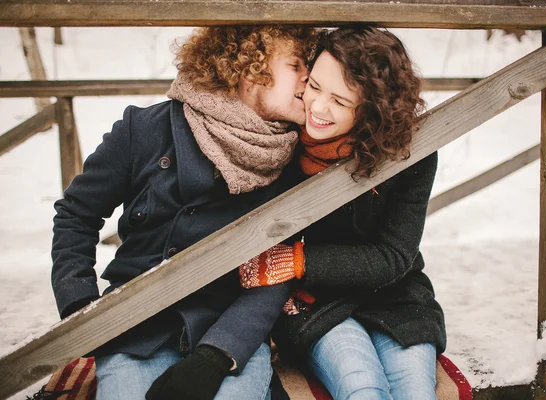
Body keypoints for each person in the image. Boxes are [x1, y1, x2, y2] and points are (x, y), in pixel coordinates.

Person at [51, 25, 317, 400]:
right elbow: (76, 214)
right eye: (296, 64)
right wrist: (80, 305)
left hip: (227, 334)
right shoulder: (144, 130)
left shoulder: (290, 159)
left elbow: (275, 271)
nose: (309, 78)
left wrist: (218, 355)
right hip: (136, 326)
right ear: (248, 67)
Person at [239, 26, 445, 400]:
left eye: (340, 100)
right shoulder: (279, 139)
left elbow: (394, 256)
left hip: (394, 296)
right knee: (362, 387)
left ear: (373, 106)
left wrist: (298, 260)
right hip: (314, 303)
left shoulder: (411, 153)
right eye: (315, 87)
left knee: (416, 392)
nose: (318, 108)